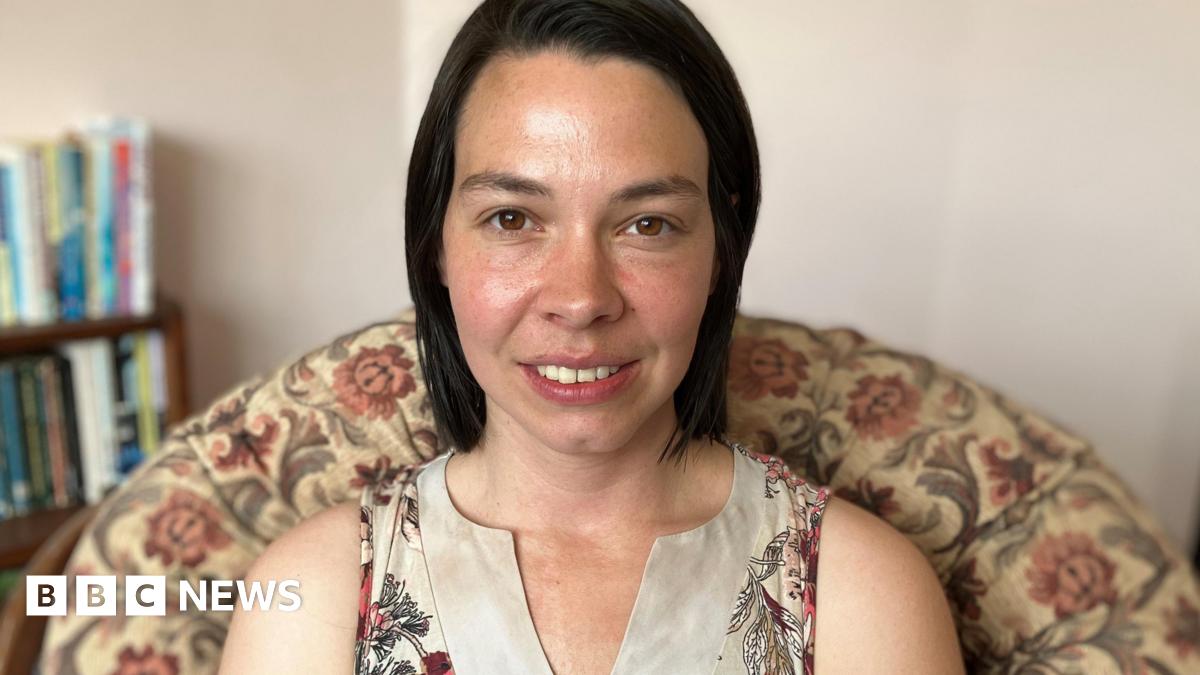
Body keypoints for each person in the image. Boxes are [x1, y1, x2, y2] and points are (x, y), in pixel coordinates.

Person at [218, 1, 965, 673]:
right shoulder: (313, 596)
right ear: (436, 246)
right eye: (512, 218)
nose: (580, 300)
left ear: (719, 250)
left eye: (648, 224)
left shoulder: (860, 593)